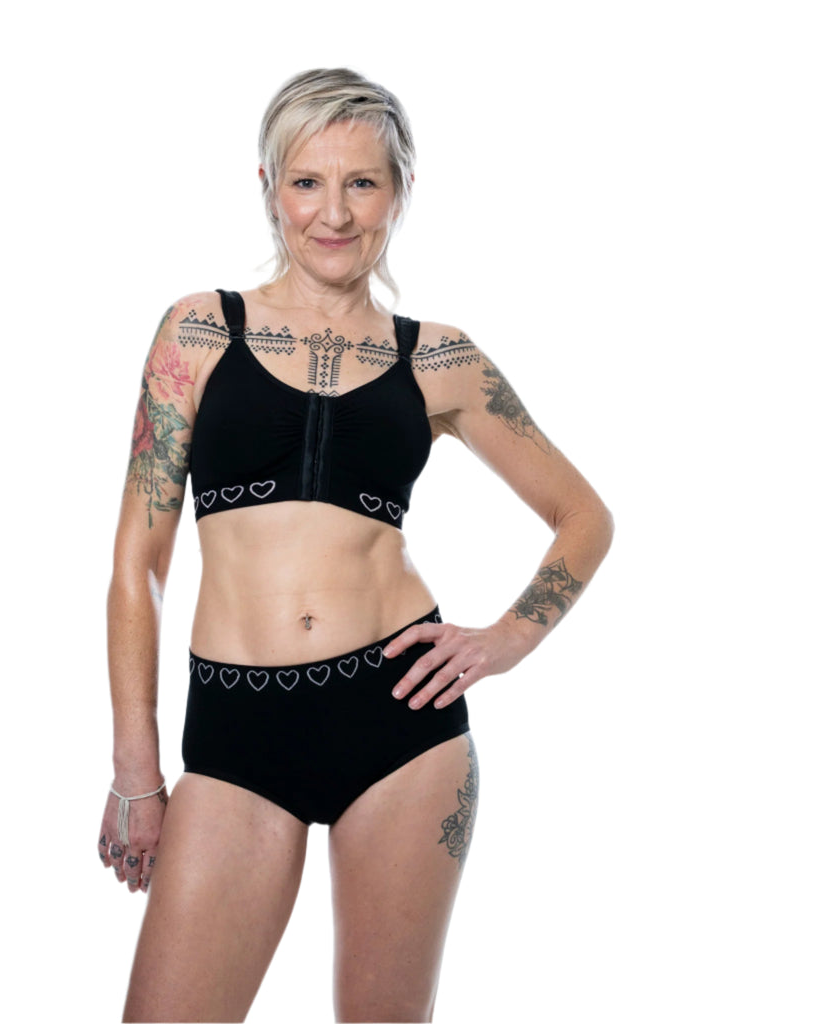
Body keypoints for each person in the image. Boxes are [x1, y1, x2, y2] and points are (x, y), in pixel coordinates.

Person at [97, 68, 613, 1023]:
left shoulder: (440, 358)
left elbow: (584, 516)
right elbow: (139, 565)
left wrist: (506, 639)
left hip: (400, 728)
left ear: (399, 192)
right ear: (269, 187)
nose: (333, 213)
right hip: (237, 730)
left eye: (362, 183)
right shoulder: (199, 330)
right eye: (307, 182)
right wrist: (137, 769)